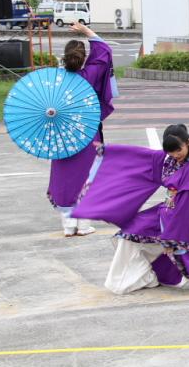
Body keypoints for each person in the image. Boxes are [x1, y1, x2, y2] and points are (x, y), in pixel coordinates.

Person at [71, 124, 189, 295]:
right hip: (163, 213)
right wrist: (110, 151)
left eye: (179, 150)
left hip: (179, 221)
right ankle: (141, 277)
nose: (176, 155)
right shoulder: (169, 159)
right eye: (171, 152)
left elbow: (185, 206)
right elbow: (139, 155)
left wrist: (173, 234)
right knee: (129, 234)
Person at [48, 23, 115, 236]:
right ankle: (84, 225)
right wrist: (87, 32)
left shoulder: (55, 81)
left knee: (64, 176)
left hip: (63, 136)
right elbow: (105, 51)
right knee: (88, 176)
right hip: (88, 135)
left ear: (64, 58)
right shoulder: (90, 74)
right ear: (83, 57)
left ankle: (68, 227)